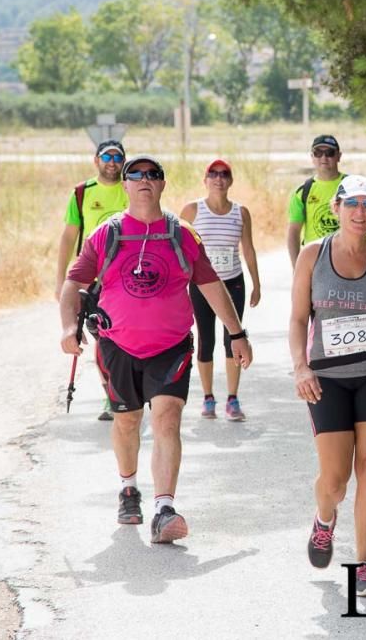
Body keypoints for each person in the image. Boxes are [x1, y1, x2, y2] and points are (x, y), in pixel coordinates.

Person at [59, 155, 252, 544]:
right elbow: (72, 284)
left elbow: (212, 285)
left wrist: (236, 333)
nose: (144, 179)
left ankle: (165, 509)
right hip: (117, 345)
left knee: (167, 419)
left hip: (172, 346)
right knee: (127, 421)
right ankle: (129, 488)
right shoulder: (106, 234)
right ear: (125, 186)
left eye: (153, 175)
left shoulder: (182, 234)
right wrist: (67, 327)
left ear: (163, 185)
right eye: (136, 174)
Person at [289, 175, 366, 597]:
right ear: (338, 208)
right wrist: (300, 367)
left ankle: (363, 565)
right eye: (353, 204)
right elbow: (297, 319)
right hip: (327, 379)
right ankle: (325, 518)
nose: (361, 213)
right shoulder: (312, 255)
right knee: (336, 479)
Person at [180, 159, 261, 421]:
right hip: (202, 286)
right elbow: (178, 250)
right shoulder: (192, 211)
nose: (218, 178)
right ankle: (207, 397)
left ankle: (233, 398)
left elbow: (248, 248)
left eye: (224, 174)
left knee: (233, 339)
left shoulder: (241, 212)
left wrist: (256, 283)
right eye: (213, 174)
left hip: (232, 282)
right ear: (205, 180)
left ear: (230, 181)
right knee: (206, 340)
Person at [55, 139, 129, 421]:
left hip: (126, 277)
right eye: (106, 156)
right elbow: (68, 238)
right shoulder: (82, 193)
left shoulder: (131, 187)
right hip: (92, 278)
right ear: (96, 160)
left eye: (117, 157)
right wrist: (61, 281)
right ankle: (111, 394)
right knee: (102, 335)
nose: (112, 162)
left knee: (125, 334)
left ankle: (127, 388)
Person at [286, 134, 347, 266]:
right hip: (314, 262)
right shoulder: (303, 192)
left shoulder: (351, 185)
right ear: (312, 157)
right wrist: (297, 267)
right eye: (318, 153)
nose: (324, 158)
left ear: (339, 156)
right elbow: (293, 232)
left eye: (329, 153)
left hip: (347, 259)